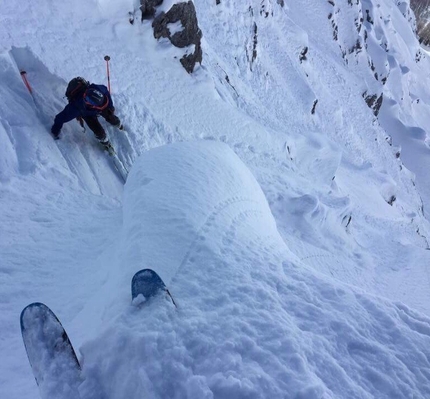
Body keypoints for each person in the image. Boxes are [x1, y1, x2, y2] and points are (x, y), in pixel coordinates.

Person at [51, 77, 123, 152]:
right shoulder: (77, 107)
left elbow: (106, 91)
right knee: (99, 132)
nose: (84, 98)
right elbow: (59, 118)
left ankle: (117, 123)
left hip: (99, 109)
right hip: (87, 114)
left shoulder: (99, 91)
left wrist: (110, 106)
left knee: (111, 117)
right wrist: (55, 131)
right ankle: (104, 141)